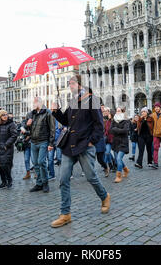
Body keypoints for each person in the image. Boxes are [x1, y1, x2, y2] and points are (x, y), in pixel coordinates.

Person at [50, 75, 110, 228]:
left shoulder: (91, 100)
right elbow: (66, 121)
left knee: (91, 177)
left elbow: (99, 125)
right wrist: (56, 111)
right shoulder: (72, 101)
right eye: (69, 83)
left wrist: (91, 141)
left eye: (72, 83)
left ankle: (104, 196)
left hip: (84, 144)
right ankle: (65, 214)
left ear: (80, 84)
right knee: (63, 179)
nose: (70, 85)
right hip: (69, 145)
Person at [28, 97, 55, 193]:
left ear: (39, 103)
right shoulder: (32, 113)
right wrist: (28, 124)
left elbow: (52, 129)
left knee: (41, 162)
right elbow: (28, 126)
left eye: (34, 102)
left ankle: (45, 183)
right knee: (35, 163)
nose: (33, 104)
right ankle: (39, 183)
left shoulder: (47, 112)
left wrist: (51, 143)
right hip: (33, 141)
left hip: (43, 141)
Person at [0, 110, 18, 189]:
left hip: (6, 148)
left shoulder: (11, 124)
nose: (5, 116)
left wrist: (6, 144)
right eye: (3, 115)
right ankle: (3, 182)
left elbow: (14, 135)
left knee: (5, 165)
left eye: (6, 114)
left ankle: (9, 181)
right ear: (0, 117)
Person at [110, 107, 131, 183]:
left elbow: (125, 131)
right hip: (115, 143)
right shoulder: (114, 120)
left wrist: (116, 130)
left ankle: (118, 176)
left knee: (118, 159)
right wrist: (118, 130)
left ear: (122, 112)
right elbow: (110, 130)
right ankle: (126, 169)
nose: (118, 112)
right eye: (117, 111)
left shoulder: (126, 121)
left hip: (123, 142)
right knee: (118, 159)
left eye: (119, 111)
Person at [151, 103, 161, 169]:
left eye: (157, 107)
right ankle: (155, 163)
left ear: (160, 107)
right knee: (155, 148)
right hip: (156, 134)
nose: (156, 108)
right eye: (155, 107)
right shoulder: (153, 115)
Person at [103, 107, 116, 172]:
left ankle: (115, 165)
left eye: (109, 114)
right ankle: (110, 164)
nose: (108, 115)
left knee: (117, 156)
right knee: (107, 152)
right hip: (108, 140)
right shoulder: (108, 121)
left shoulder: (115, 121)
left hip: (115, 140)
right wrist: (105, 135)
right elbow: (106, 130)